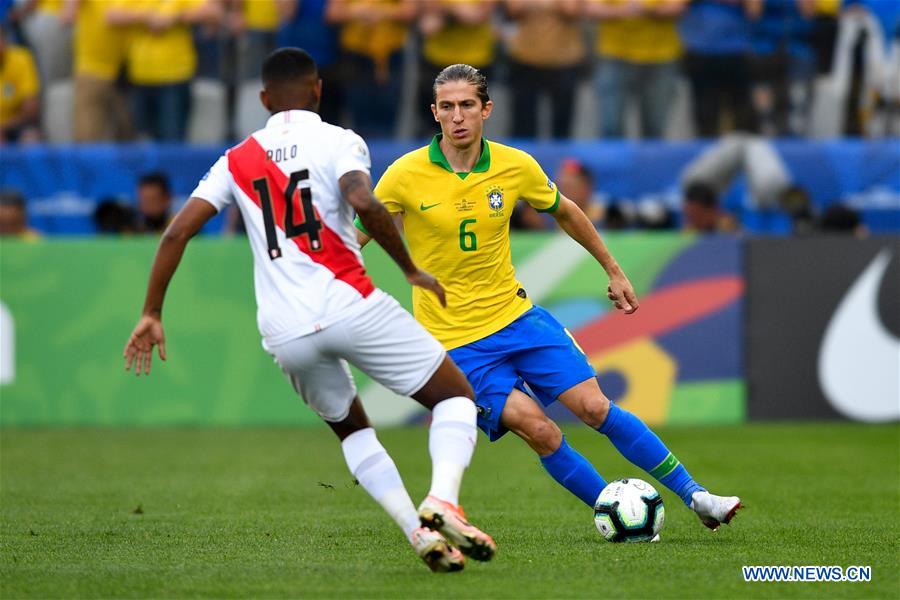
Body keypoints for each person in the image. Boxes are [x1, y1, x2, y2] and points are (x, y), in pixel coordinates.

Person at [122, 48, 495, 572]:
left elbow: (177, 230)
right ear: (318, 90)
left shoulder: (236, 158)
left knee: (352, 429)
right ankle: (443, 499)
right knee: (455, 396)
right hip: (349, 301)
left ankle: (418, 533)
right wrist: (409, 269)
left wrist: (152, 311)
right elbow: (364, 202)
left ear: (263, 100)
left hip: (284, 330)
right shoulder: (339, 141)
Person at [356, 64, 742, 534]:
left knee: (596, 408)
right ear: (434, 113)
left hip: (518, 320)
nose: (457, 117)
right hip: (455, 344)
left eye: (467, 106)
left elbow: (566, 211)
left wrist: (614, 270)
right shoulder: (403, 175)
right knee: (540, 430)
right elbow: (360, 236)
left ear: (486, 110)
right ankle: (616, 513)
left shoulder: (514, 165)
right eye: (448, 107)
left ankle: (697, 496)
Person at [585, 0, 688, 139]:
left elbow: (677, 8)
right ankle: (615, 161)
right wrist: (624, 11)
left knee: (654, 128)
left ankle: (651, 160)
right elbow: (592, 8)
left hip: (661, 57)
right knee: (611, 127)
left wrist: (646, 10)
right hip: (615, 55)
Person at [0, 26, 41, 144]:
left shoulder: (21, 58)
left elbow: (31, 109)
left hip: (15, 126)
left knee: (31, 137)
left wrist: (4, 127)